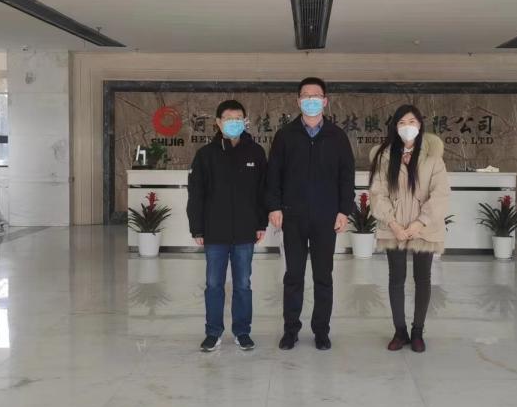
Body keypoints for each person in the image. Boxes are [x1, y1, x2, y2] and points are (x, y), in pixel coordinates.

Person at [267, 77, 355, 351]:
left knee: (323, 276)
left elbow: (346, 177)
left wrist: (344, 210)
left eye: (316, 96)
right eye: (306, 96)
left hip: (325, 218)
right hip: (292, 216)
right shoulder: (285, 135)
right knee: (293, 275)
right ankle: (290, 330)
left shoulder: (337, 137)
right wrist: (274, 206)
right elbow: (273, 175)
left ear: (325, 101)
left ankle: (321, 331)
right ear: (298, 101)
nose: (311, 100)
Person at [187, 100, 268, 352]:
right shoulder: (205, 155)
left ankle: (242, 332)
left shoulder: (256, 153)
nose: (234, 123)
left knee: (243, 284)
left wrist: (261, 223)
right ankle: (213, 332)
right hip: (215, 232)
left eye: (238, 118)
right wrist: (197, 228)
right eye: (228, 118)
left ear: (245, 121)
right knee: (214, 285)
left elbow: (262, 192)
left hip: (245, 231)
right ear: (218, 123)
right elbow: (196, 194)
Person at [368, 105, 450, 353]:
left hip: (424, 228)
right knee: (396, 278)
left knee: (423, 279)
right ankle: (399, 331)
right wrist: (393, 224)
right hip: (393, 228)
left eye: (412, 121)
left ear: (420, 125)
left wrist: (419, 223)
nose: (407, 127)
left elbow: (440, 195)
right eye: (402, 122)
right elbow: (377, 193)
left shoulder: (433, 158)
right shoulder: (384, 157)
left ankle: (417, 332)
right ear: (395, 127)